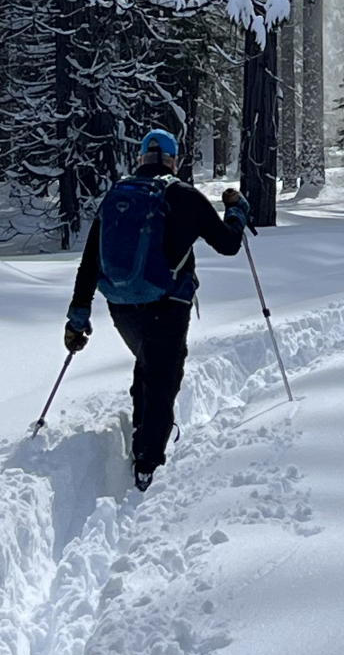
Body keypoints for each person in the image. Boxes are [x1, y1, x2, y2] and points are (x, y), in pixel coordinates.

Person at [63, 128, 250, 491]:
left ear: (139, 158)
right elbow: (228, 245)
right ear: (172, 160)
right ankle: (147, 466)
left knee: (148, 363)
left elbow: (89, 262)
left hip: (121, 306)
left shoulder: (117, 195)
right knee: (162, 380)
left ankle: (142, 432)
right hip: (168, 303)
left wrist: (78, 318)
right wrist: (236, 211)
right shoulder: (183, 196)